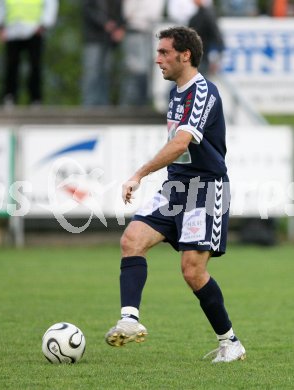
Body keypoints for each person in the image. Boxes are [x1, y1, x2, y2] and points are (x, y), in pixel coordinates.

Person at [105, 26, 246, 363]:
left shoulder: (203, 92)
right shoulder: (176, 93)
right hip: (177, 188)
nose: (157, 59)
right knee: (132, 240)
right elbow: (178, 148)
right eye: (158, 53)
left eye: (165, 52)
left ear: (186, 55)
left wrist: (138, 174)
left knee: (192, 271)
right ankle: (129, 320)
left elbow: (181, 142)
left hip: (206, 189)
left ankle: (230, 342)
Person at [0, 0, 58, 106]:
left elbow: (50, 4)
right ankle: (9, 97)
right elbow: (0, 4)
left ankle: (35, 98)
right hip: (12, 28)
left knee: (35, 65)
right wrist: (0, 26)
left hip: (34, 28)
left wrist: (44, 24)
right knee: (11, 65)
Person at [119, 0, 165, 106]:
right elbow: (128, 12)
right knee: (134, 70)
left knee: (145, 71)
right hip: (135, 31)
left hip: (150, 32)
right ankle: (127, 106)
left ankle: (141, 105)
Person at [81, 0, 125, 106]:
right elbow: (88, 10)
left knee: (106, 72)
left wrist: (119, 27)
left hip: (109, 40)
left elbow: (120, 13)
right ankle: (89, 105)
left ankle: (103, 105)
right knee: (92, 72)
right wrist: (104, 23)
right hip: (93, 38)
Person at [188, 0, 225, 77]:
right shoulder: (200, 15)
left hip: (201, 58)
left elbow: (217, 38)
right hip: (197, 58)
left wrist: (215, 59)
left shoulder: (206, 15)